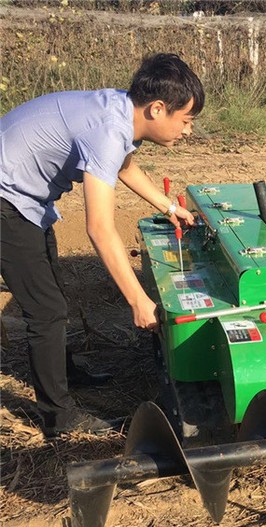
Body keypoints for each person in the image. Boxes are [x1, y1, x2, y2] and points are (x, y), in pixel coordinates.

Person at [0, 53, 205, 438]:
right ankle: (58, 419)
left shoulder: (120, 109)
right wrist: (137, 299)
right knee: (46, 310)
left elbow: (124, 166)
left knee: (51, 296)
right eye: (186, 120)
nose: (188, 131)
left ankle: (64, 374)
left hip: (24, 195)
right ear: (158, 109)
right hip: (5, 199)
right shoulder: (108, 129)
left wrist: (168, 206)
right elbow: (99, 228)